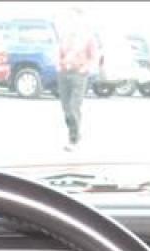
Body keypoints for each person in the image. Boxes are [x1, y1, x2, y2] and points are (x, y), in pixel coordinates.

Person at [56, 7, 98, 151]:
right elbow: (60, 53)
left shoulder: (87, 37)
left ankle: (74, 140)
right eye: (70, 17)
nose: (72, 20)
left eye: (75, 17)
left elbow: (93, 57)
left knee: (74, 107)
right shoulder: (65, 36)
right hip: (64, 74)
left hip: (78, 75)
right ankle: (75, 134)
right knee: (66, 109)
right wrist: (60, 65)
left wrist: (84, 68)